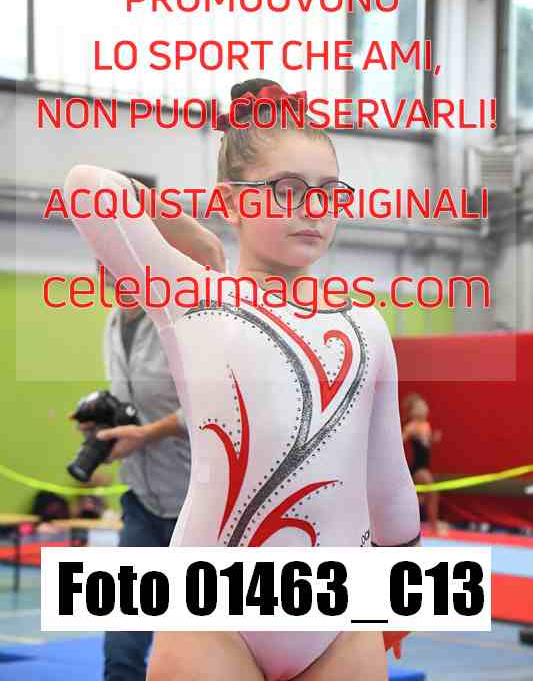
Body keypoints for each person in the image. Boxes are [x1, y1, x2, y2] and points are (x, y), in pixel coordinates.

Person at [64, 78, 421, 681]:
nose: (313, 208)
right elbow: (87, 187)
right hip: (214, 615)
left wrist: (403, 590)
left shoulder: (364, 322)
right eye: (287, 190)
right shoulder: (194, 298)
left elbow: (387, 477)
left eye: (328, 192)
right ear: (232, 201)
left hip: (340, 617)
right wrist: (200, 238)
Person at [71, 200, 225, 681]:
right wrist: (104, 422)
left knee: (200, 649)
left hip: (199, 509)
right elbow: (132, 399)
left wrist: (149, 433)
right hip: (142, 501)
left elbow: (216, 404)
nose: (105, 268)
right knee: (121, 647)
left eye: (113, 255)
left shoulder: (187, 315)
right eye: (99, 258)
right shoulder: (114, 321)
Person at [401, 392, 446, 535]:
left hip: (425, 466)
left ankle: (424, 523)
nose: (424, 409)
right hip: (418, 468)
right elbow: (400, 441)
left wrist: (433, 439)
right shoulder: (411, 426)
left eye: (424, 406)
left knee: (421, 496)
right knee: (432, 493)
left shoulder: (426, 425)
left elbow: (426, 443)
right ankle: (434, 527)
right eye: (420, 407)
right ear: (412, 412)